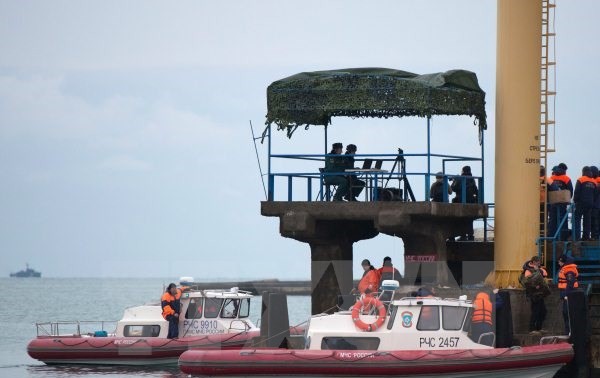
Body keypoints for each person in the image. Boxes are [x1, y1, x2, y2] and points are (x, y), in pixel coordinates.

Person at [519, 256, 549, 334]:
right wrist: (535, 286)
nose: (539, 263)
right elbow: (527, 282)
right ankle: (532, 329)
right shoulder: (528, 271)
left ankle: (538, 328)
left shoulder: (538, 269)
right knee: (535, 311)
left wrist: (537, 270)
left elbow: (544, 274)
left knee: (543, 311)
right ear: (534, 262)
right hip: (534, 294)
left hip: (540, 293)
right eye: (538, 262)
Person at [548, 165, 573, 240]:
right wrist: (568, 199)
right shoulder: (566, 178)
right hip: (563, 202)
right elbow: (570, 190)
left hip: (552, 202)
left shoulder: (551, 178)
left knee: (552, 220)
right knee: (563, 219)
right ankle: (563, 236)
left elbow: (547, 189)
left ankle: (551, 236)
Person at [573, 166, 597, 241]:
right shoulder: (594, 181)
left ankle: (576, 237)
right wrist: (592, 201)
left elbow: (577, 191)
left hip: (581, 203)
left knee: (577, 219)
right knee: (587, 220)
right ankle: (586, 237)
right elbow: (595, 194)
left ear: (583, 172)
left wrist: (575, 200)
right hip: (590, 203)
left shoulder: (580, 179)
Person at [557, 254, 579, 334]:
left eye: (559, 261)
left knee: (568, 313)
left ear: (563, 261)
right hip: (566, 293)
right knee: (565, 313)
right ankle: (568, 331)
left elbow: (570, 283)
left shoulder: (569, 270)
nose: (558, 263)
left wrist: (566, 294)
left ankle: (570, 332)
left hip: (569, 294)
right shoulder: (565, 268)